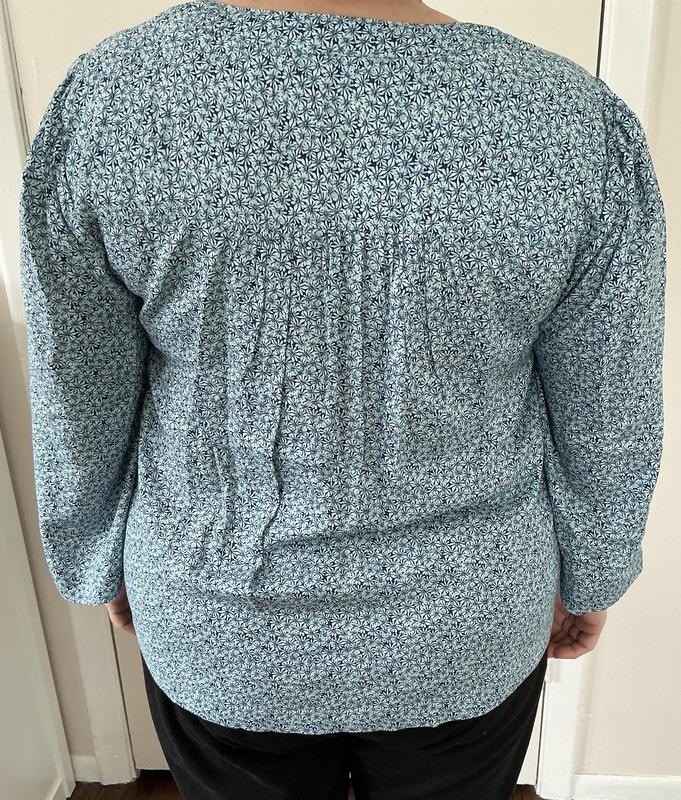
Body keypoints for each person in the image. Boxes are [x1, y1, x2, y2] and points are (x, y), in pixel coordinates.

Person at [19, 0, 666, 798]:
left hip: (220, 616)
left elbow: (78, 389)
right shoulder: (570, 120)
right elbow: (609, 406)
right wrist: (595, 570)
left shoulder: (115, 99)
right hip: (466, 620)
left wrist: (97, 554)